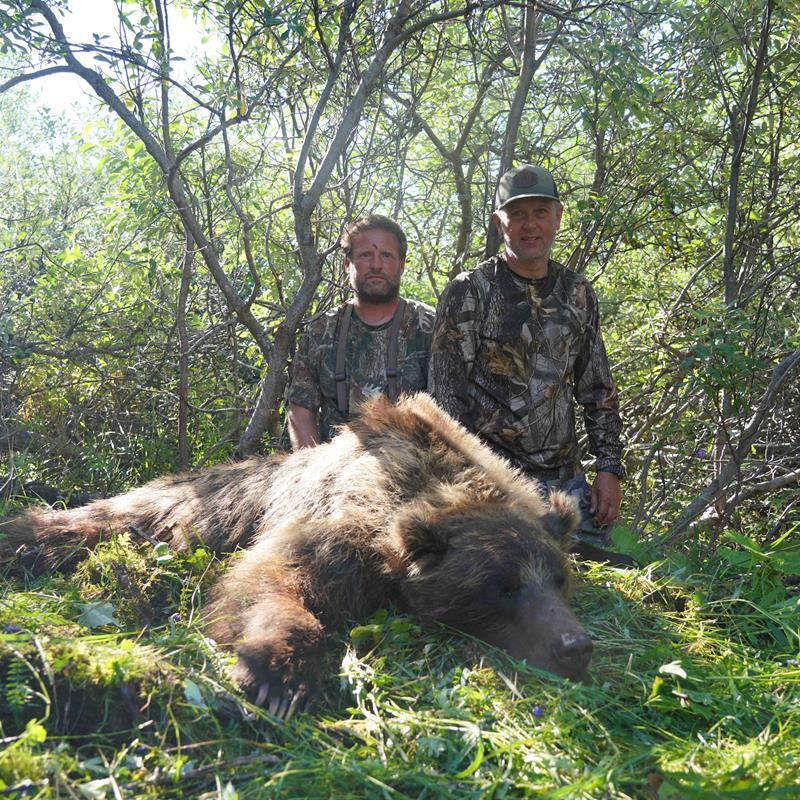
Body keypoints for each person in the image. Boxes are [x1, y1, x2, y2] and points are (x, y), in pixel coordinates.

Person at [428, 165, 627, 558]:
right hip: (493, 486)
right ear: (498, 222)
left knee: (607, 575)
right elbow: (446, 403)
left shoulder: (577, 293)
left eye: (540, 212)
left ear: (558, 217)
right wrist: (474, 485)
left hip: (564, 489)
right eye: (517, 214)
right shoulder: (469, 291)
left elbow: (598, 390)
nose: (530, 225)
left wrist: (609, 469)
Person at [287, 215, 435, 449]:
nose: (376, 265)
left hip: (414, 465)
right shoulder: (320, 331)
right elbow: (300, 412)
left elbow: (450, 413)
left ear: (402, 264)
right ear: (347, 264)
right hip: (336, 466)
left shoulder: (430, 326)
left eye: (386, 255)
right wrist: (314, 467)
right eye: (365, 255)